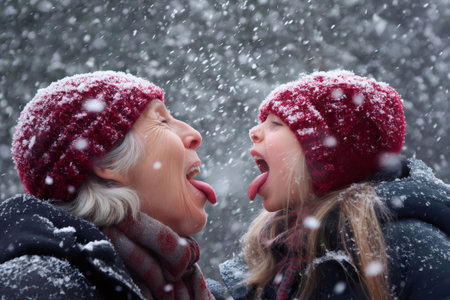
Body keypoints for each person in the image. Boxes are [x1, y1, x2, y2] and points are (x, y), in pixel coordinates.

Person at [216, 71, 450, 300]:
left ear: (328, 155)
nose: (254, 132)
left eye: (276, 123)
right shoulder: (274, 255)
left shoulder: (407, 246)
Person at [0, 71, 217, 299]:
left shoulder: (188, 286)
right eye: (162, 121)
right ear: (106, 162)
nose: (195, 134)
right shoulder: (37, 287)